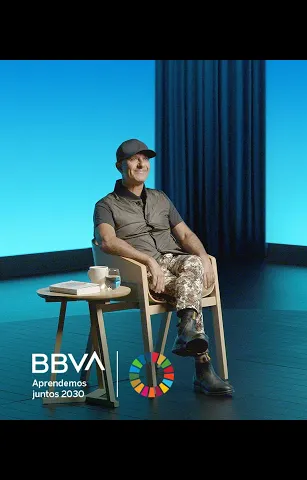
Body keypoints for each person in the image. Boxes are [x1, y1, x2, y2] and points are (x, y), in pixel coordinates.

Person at [93, 138, 234, 396]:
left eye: (145, 159)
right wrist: (147, 261)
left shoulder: (160, 198)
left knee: (194, 262)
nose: (141, 164)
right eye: (134, 159)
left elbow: (185, 235)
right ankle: (202, 367)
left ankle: (187, 330)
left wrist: (203, 255)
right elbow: (107, 241)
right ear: (119, 166)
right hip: (142, 270)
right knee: (190, 286)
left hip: (173, 260)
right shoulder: (106, 205)